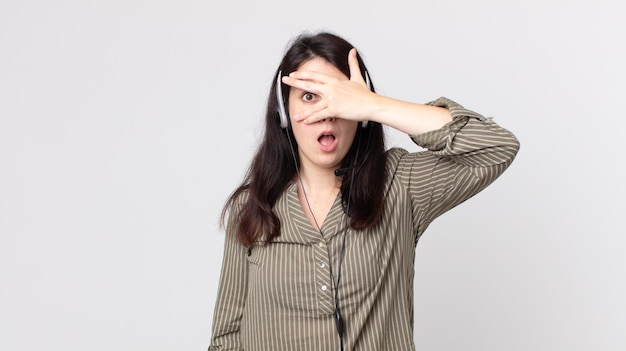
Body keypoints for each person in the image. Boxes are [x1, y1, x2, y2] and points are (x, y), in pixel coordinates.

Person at [207, 30, 519, 351]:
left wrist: (374, 105)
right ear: (285, 114)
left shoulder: (400, 185)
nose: (326, 112)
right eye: (310, 96)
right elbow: (225, 338)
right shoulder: (252, 206)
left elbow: (495, 147)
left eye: (338, 96)